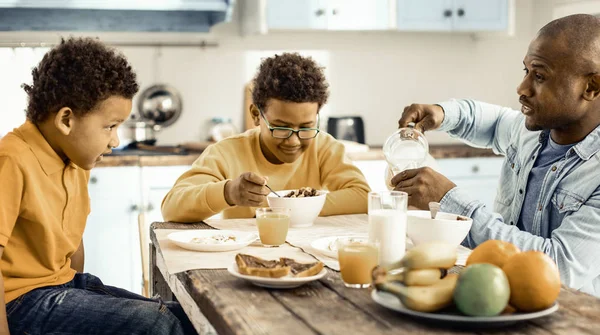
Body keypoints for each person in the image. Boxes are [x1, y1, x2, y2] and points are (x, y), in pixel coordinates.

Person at [0, 37, 204, 335]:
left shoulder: (72, 158)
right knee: (154, 329)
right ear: (66, 119)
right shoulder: (12, 160)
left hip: (58, 291)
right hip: (19, 311)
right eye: (110, 126)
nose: (115, 141)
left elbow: (69, 250)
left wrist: (87, 301)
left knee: (180, 317)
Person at [391, 14, 600, 297]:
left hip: (572, 322)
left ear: (591, 87)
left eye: (539, 76)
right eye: (525, 71)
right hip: (498, 297)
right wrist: (442, 113)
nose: (522, 88)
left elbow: (559, 266)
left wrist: (450, 201)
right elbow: (492, 121)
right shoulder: (532, 131)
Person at [162, 53, 370, 222]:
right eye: (281, 127)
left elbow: (363, 197)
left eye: (306, 127)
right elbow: (171, 208)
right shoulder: (226, 152)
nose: (293, 141)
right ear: (255, 115)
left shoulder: (324, 147)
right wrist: (228, 193)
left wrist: (293, 206)